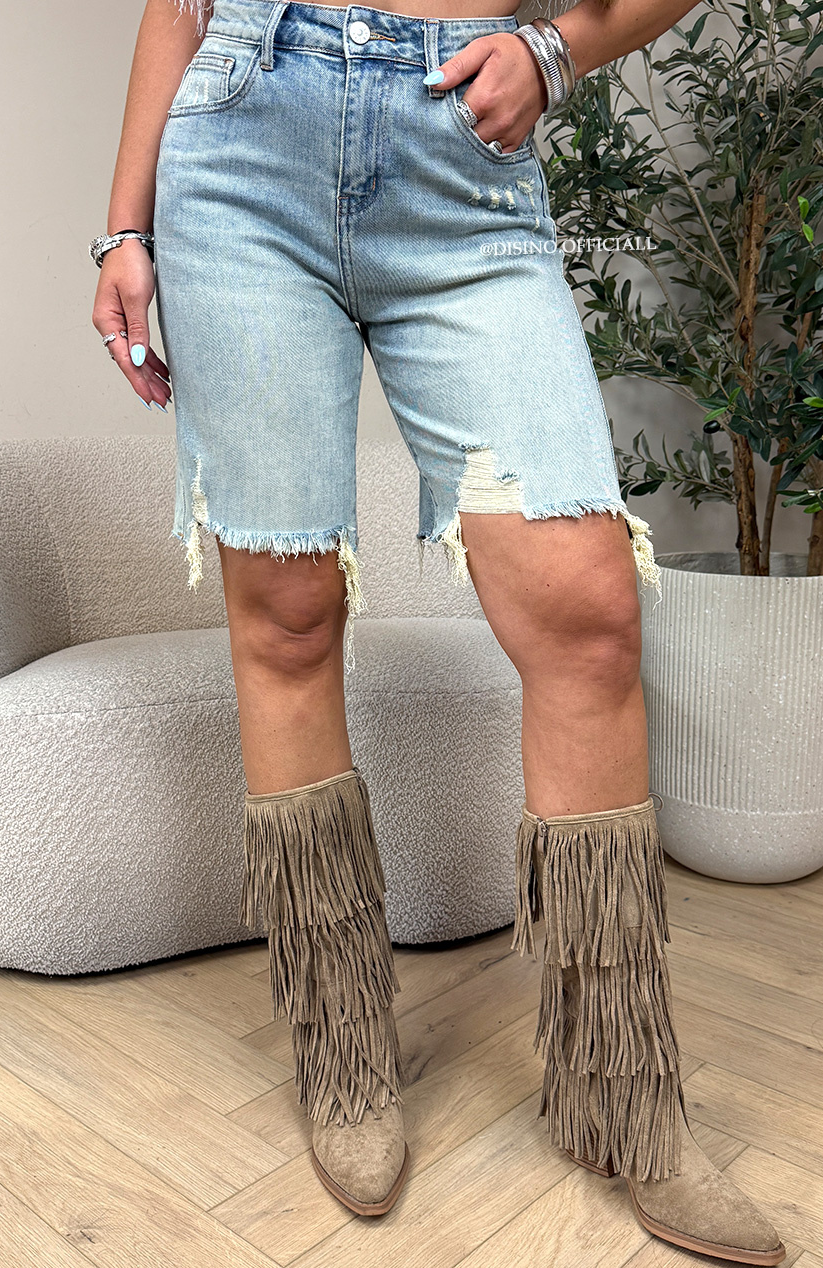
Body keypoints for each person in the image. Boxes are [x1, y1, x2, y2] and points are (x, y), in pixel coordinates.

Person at [90, 0, 786, 1259]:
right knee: (288, 615)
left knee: (587, 615)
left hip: (458, 158)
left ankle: (624, 1090)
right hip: (243, 146)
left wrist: (558, 50)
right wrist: (124, 227)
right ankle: (344, 1053)